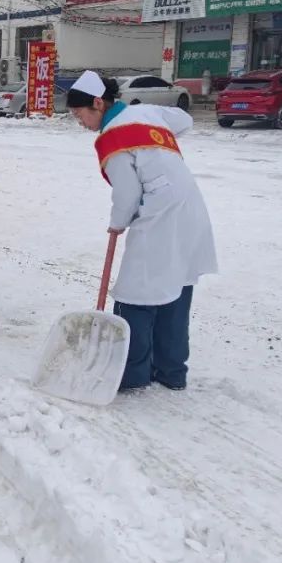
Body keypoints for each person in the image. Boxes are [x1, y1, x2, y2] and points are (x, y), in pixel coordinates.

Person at [67, 70, 217, 391]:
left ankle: (132, 375)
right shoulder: (144, 112)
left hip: (159, 214)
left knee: (133, 296)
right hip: (189, 206)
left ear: (97, 103)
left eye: (80, 114)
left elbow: (127, 194)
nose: (80, 122)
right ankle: (171, 371)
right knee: (177, 287)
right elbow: (184, 121)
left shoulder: (112, 138)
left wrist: (116, 224)